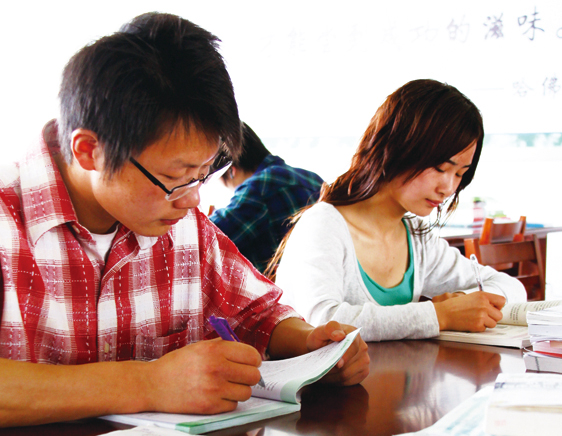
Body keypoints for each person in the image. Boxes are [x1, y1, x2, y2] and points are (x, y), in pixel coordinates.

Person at [0, 13, 369, 427]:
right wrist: (149, 383)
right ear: (89, 151)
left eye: (203, 174)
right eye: (175, 178)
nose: (193, 199)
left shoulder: (184, 225)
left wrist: (310, 345)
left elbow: (257, 313)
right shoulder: (6, 219)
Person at [272, 79, 527, 342]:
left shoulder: (416, 237)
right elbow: (324, 322)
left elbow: (511, 287)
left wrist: (463, 301)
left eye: (460, 174)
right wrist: (441, 315)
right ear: (396, 147)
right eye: (440, 168)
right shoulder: (323, 225)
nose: (448, 188)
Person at [210, 123, 323, 273]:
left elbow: (207, 239)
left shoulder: (261, 186)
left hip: (280, 286)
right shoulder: (313, 179)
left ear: (231, 171)